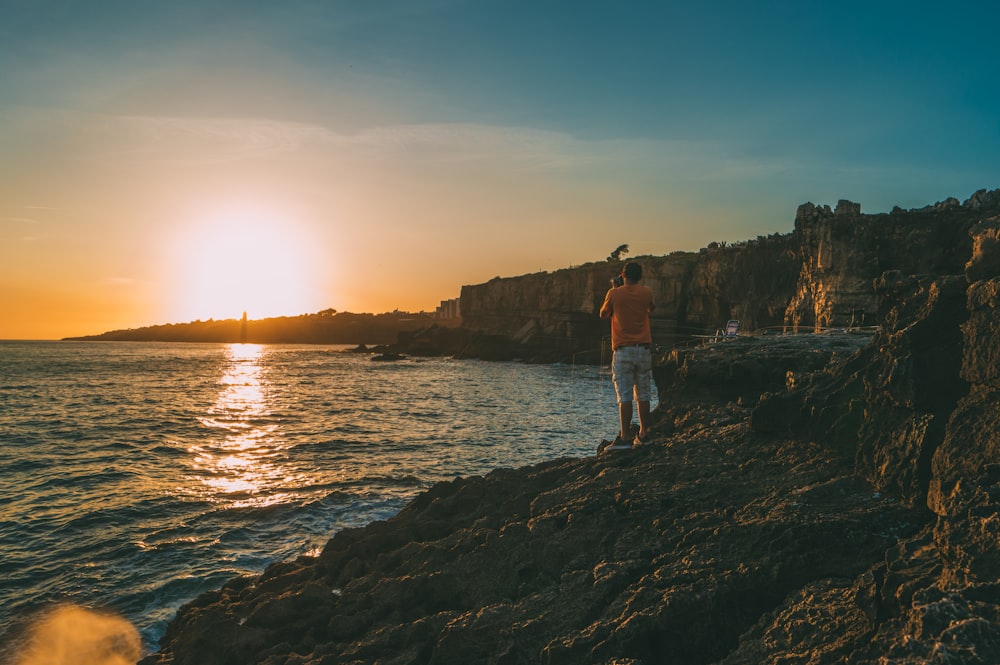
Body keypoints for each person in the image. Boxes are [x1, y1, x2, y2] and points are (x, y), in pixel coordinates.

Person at [599, 261, 655, 449]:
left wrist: (615, 289)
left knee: (625, 395)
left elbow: (603, 314)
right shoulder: (646, 292)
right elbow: (650, 309)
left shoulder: (614, 294)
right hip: (644, 350)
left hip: (623, 350)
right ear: (640, 277)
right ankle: (644, 435)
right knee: (644, 393)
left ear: (623, 276)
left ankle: (624, 438)